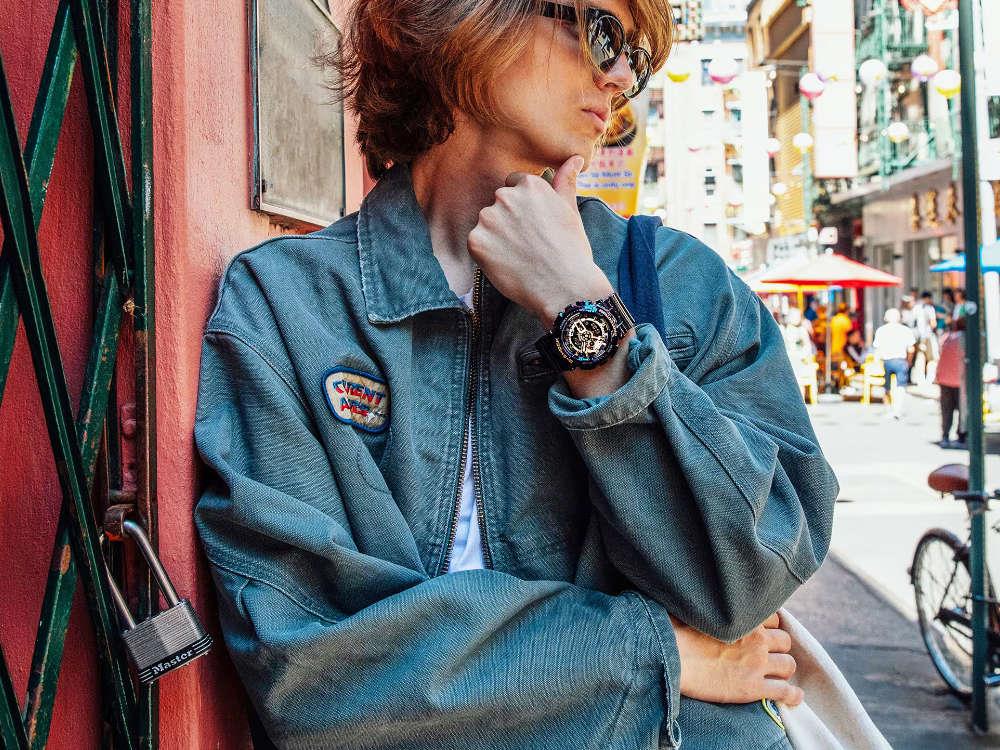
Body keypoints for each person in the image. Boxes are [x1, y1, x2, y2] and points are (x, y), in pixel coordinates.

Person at [192, 2, 839, 748]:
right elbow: (308, 673)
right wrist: (652, 649)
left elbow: (749, 580)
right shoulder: (288, 305)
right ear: (468, 14)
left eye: (635, 58)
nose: (619, 76)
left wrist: (585, 320)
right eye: (602, 32)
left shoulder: (683, 287)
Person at [873, 308, 916, 418]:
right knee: (900, 386)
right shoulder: (905, 330)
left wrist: (876, 363)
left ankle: (889, 409)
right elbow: (911, 349)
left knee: (887, 386)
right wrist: (909, 362)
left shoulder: (881, 331)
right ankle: (897, 409)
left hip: (886, 361)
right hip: (901, 361)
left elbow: (877, 349)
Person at [935, 316, 967, 448]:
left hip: (944, 378)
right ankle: (961, 436)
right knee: (962, 409)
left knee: (946, 409)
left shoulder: (946, 338)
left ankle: (945, 435)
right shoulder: (965, 339)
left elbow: (939, 353)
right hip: (960, 379)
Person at [911, 290, 938, 384]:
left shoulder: (916, 307)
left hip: (917, 336)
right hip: (928, 336)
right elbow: (933, 323)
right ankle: (930, 378)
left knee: (920, 357)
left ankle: (920, 378)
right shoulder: (930, 308)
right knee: (931, 358)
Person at [829, 303, 853, 368]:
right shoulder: (845, 320)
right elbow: (850, 334)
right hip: (843, 348)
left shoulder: (834, 319)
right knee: (844, 368)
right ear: (846, 311)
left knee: (836, 369)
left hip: (834, 347)